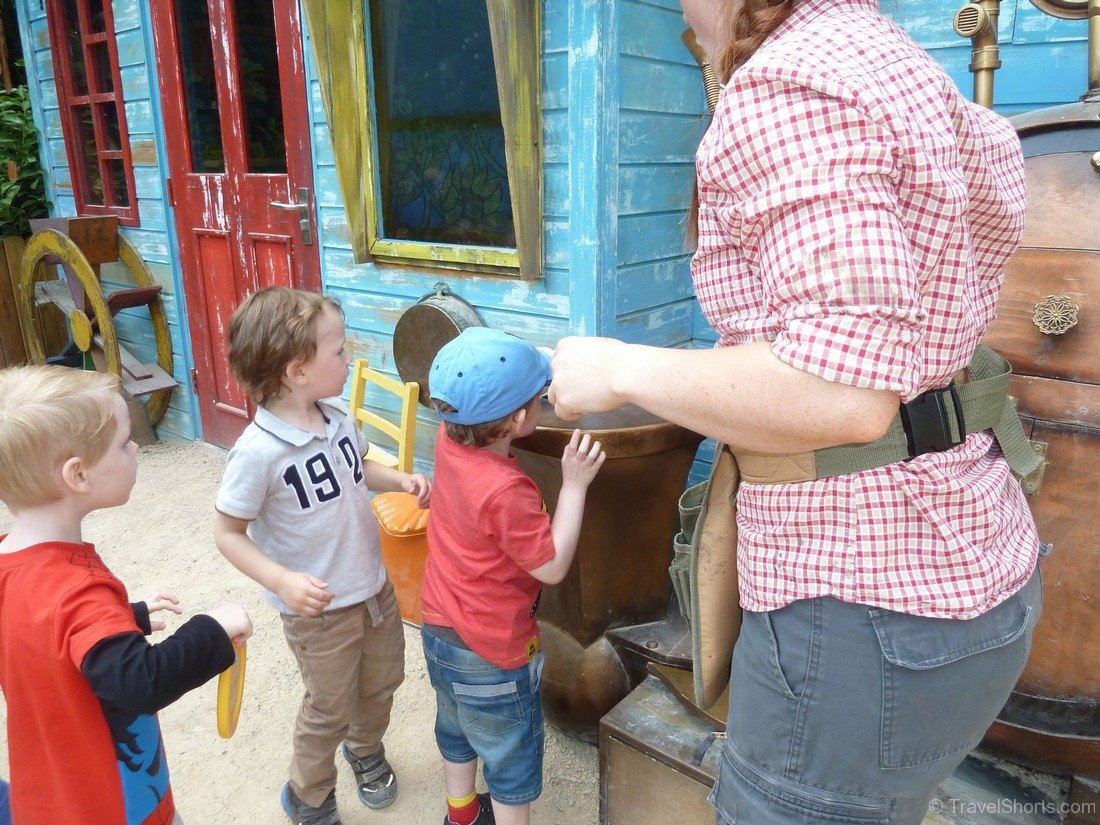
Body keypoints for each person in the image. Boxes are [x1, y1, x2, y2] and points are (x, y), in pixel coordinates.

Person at [548, 1, 1042, 823]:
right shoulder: (889, 54)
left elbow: (839, 390)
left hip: (860, 605)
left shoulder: (788, 78)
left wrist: (619, 367)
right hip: (969, 558)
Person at [213, 287, 431, 825]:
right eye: (338, 349)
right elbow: (228, 533)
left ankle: (365, 749)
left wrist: (396, 478)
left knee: (382, 680)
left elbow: (357, 468)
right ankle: (307, 793)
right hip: (319, 611)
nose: (349, 354)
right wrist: (281, 580)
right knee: (328, 706)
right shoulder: (257, 453)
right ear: (297, 371)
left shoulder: (335, 416)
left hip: (373, 589)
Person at [0, 365, 253, 825]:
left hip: (47, 796)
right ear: (77, 475)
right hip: (113, 804)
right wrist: (212, 629)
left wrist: (124, 617)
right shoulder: (79, 590)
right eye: (122, 443)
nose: (135, 446)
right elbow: (139, 682)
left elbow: (40, 635)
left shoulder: (7, 562)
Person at [420, 327, 605, 825]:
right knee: (510, 756)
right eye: (538, 400)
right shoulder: (504, 492)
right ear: (519, 419)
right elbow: (551, 564)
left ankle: (460, 815)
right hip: (492, 650)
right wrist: (575, 485)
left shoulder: (447, 436)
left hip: (439, 630)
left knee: (456, 727)